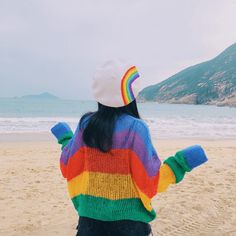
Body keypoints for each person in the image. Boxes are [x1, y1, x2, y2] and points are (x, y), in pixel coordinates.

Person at [51, 60, 208, 236]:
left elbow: (68, 165)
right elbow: (151, 181)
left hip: (90, 224)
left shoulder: (86, 124)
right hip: (129, 226)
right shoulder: (136, 129)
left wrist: (65, 139)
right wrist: (181, 163)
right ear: (131, 94)